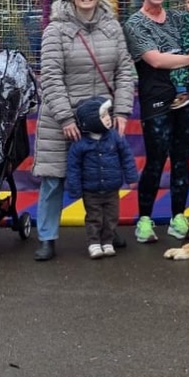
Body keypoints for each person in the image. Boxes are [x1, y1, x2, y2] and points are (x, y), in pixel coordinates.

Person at [32, 0, 134, 262]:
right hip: (64, 115)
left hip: (102, 117)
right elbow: (50, 76)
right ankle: (47, 237)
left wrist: (123, 110)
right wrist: (65, 117)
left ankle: (107, 231)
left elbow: (124, 71)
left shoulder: (112, 28)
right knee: (54, 178)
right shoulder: (56, 30)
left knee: (105, 178)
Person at [124, 0, 189, 244]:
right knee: (156, 159)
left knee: (181, 158)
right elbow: (156, 60)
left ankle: (177, 217)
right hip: (158, 100)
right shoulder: (134, 25)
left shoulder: (178, 18)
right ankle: (145, 220)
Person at [66, 96, 139, 258]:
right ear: (92, 121)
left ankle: (108, 241)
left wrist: (132, 178)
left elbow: (126, 157)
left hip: (112, 188)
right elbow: (73, 167)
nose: (108, 119)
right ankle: (94, 243)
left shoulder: (115, 136)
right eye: (104, 116)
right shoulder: (80, 144)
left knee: (111, 217)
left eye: (108, 115)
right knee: (94, 217)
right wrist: (75, 189)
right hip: (90, 190)